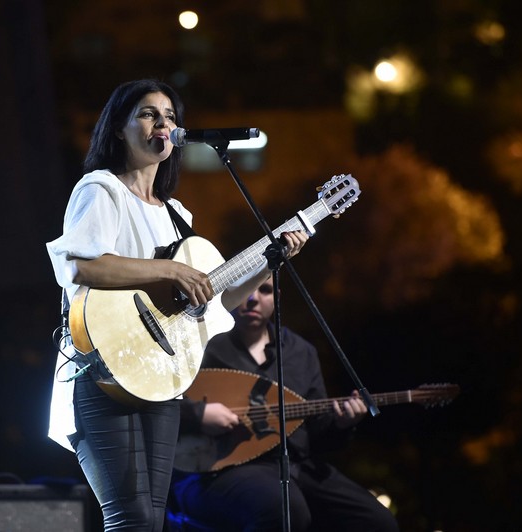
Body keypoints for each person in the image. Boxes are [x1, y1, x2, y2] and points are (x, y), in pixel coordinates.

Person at [45, 78, 309, 531]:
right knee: (130, 518)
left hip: (160, 378)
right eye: (148, 114)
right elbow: (83, 268)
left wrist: (269, 265)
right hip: (103, 372)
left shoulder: (176, 214)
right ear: (118, 130)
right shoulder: (100, 189)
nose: (163, 123)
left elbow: (218, 304)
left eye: (170, 117)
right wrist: (170, 270)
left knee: (151, 520)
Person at [172, 275, 399, 532]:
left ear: (276, 298)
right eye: (245, 290)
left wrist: (343, 423)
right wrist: (199, 413)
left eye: (265, 290)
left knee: (378, 522)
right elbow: (160, 404)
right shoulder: (203, 345)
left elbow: (317, 436)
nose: (253, 298)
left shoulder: (301, 352)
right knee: (286, 511)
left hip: (296, 467)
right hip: (218, 469)